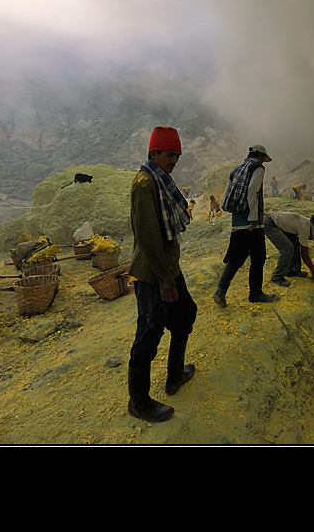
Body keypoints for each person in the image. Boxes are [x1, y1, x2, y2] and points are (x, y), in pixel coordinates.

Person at [127, 126, 198, 423]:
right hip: (153, 274)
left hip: (168, 268)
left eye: (177, 156)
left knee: (185, 313)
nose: (174, 161)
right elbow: (148, 238)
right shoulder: (145, 185)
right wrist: (165, 281)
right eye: (170, 155)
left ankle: (175, 375)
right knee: (149, 331)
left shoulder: (160, 180)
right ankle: (139, 402)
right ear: (153, 153)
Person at [214, 144, 277, 306]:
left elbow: (229, 194)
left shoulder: (236, 171)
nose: (263, 162)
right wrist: (254, 218)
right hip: (252, 223)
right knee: (258, 257)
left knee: (236, 258)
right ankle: (255, 294)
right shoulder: (258, 168)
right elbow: (253, 191)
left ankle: (220, 290)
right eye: (263, 159)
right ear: (261, 157)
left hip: (237, 223)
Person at [263, 211, 314, 287]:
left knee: (295, 243)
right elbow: (304, 254)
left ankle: (293, 270)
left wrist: (313, 269)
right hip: (271, 224)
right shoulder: (305, 227)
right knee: (288, 248)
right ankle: (277, 276)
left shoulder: (308, 224)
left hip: (279, 224)